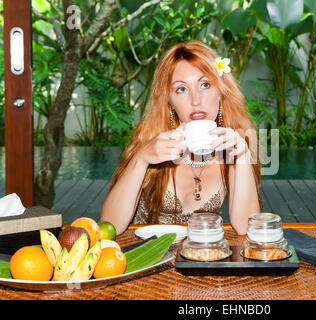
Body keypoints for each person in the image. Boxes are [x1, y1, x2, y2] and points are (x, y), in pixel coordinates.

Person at [101, 40, 261, 235]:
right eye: (181, 89)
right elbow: (110, 226)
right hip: (142, 254)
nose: (195, 100)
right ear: (169, 100)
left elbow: (245, 227)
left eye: (205, 85)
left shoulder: (232, 147)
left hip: (196, 257)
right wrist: (140, 158)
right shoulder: (153, 141)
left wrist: (243, 156)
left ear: (221, 92)